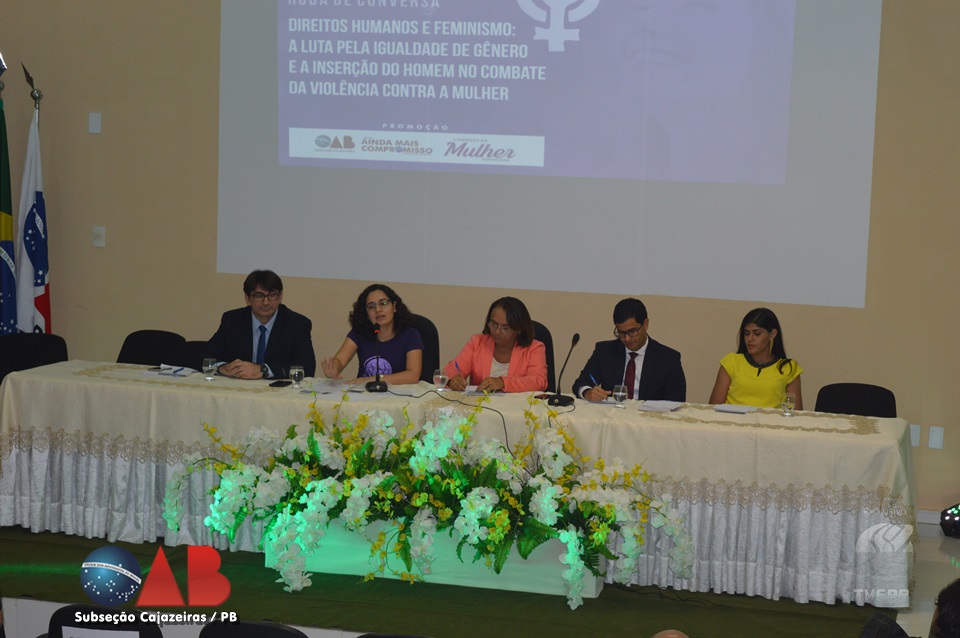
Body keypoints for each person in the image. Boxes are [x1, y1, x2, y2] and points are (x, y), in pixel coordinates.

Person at [205, 269, 315, 379]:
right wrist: (222, 368)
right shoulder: (233, 320)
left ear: (280, 296)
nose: (266, 302)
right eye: (259, 296)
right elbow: (204, 355)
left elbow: (307, 367)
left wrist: (263, 370)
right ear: (248, 298)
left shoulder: (297, 324)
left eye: (272, 295)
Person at [572, 298, 686, 402]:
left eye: (632, 331)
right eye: (621, 333)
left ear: (645, 324)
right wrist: (587, 392)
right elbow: (581, 383)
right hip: (612, 416)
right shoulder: (605, 351)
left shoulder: (668, 359)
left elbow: (676, 401)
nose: (627, 338)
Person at [321, 283, 423, 385]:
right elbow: (339, 360)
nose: (378, 310)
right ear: (367, 313)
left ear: (394, 306)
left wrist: (370, 379)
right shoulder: (359, 333)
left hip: (398, 394)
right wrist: (334, 368)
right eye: (371, 306)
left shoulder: (410, 335)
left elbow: (413, 376)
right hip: (364, 393)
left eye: (383, 303)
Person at [443, 297, 547, 393]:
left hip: (518, 405)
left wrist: (502, 382)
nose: (497, 332)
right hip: (480, 404)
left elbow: (539, 381)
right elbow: (453, 368)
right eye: (494, 324)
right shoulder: (477, 342)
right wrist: (452, 379)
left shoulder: (534, 348)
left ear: (519, 329)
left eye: (505, 328)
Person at [708, 307, 802, 409]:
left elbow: (795, 413)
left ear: (772, 334)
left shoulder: (789, 368)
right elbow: (714, 407)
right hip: (732, 418)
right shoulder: (731, 362)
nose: (750, 339)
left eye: (757, 334)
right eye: (746, 333)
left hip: (771, 419)